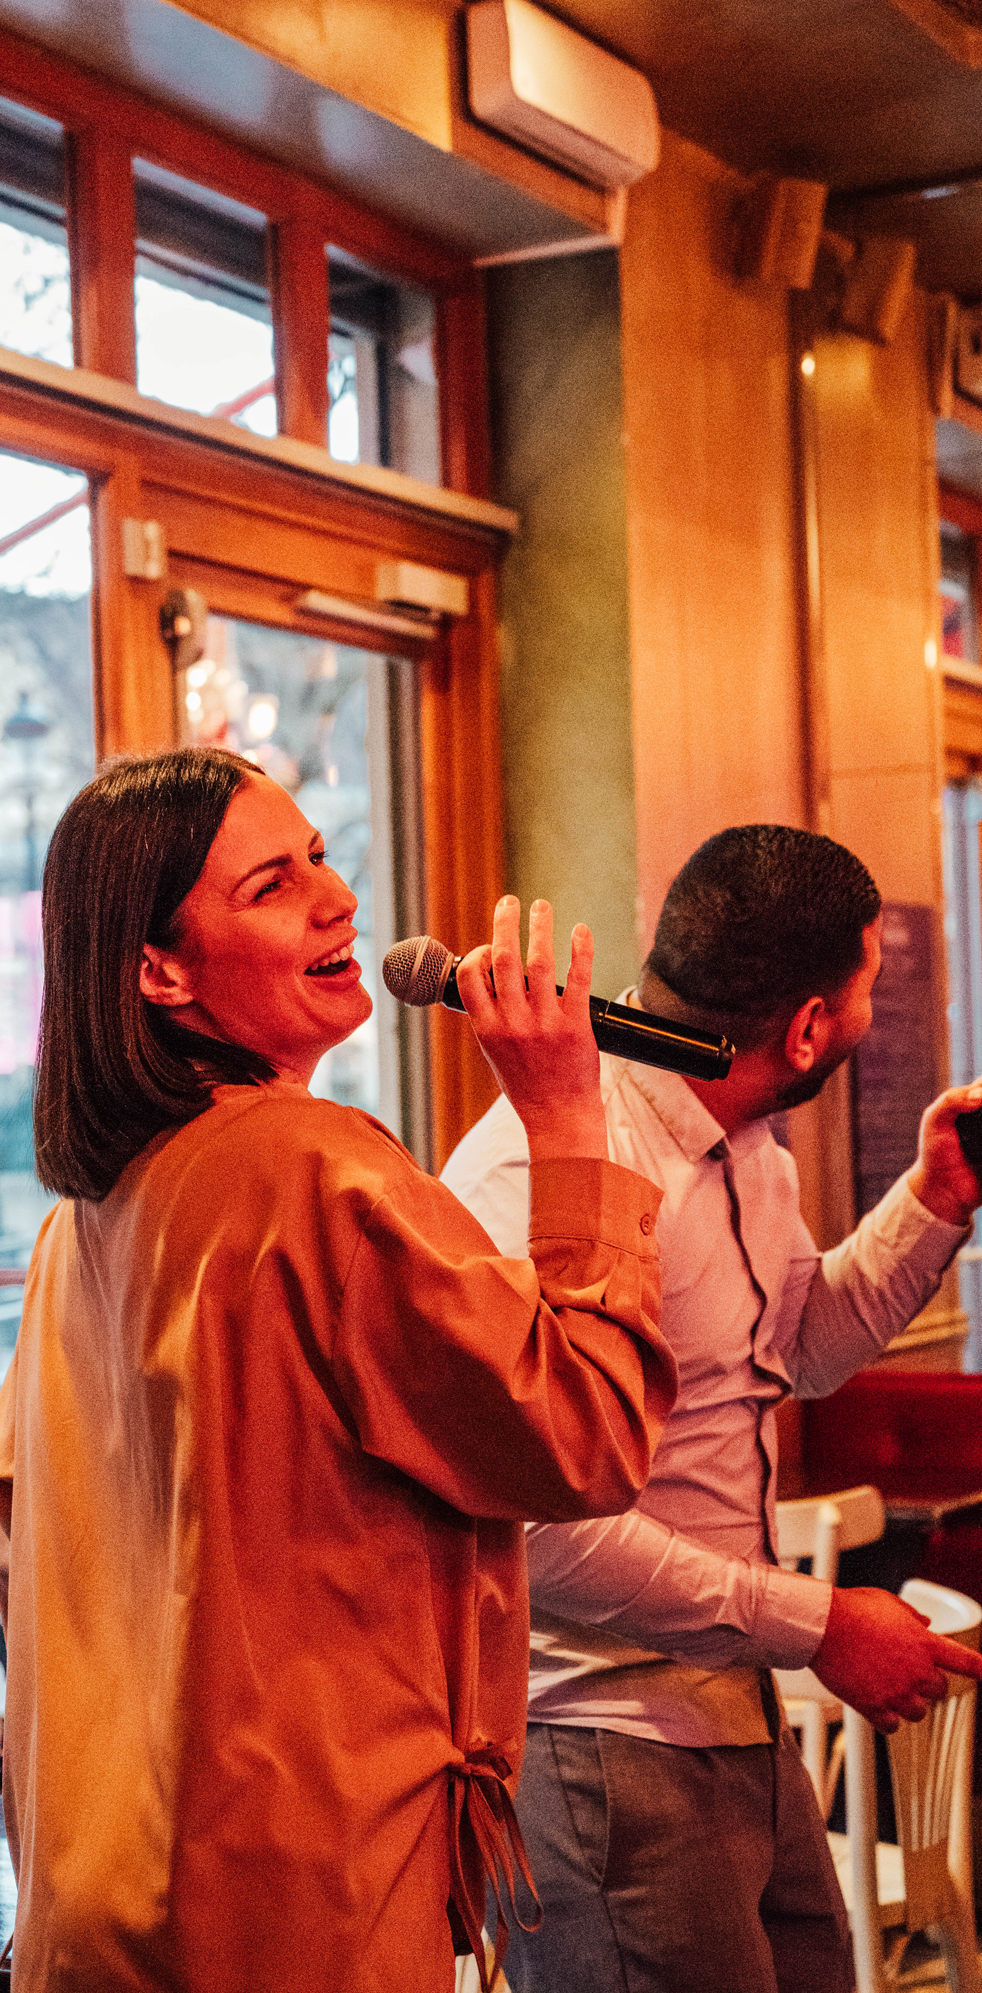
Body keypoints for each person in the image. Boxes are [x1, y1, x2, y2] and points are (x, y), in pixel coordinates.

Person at [0, 746, 676, 1993]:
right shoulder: (309, 1171)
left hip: (99, 1893)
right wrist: (569, 1114)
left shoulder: (73, 1228)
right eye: (270, 884)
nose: (337, 896)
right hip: (293, 1895)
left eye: (318, 856)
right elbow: (587, 1431)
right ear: (157, 967)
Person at [440, 823, 982, 1993]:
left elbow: (794, 1350)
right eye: (867, 985)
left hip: (730, 1712)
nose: (869, 1014)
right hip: (597, 1745)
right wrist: (818, 1623)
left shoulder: (751, 1150)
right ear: (801, 1027)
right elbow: (542, 1526)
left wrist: (932, 1201)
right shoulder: (531, 1170)